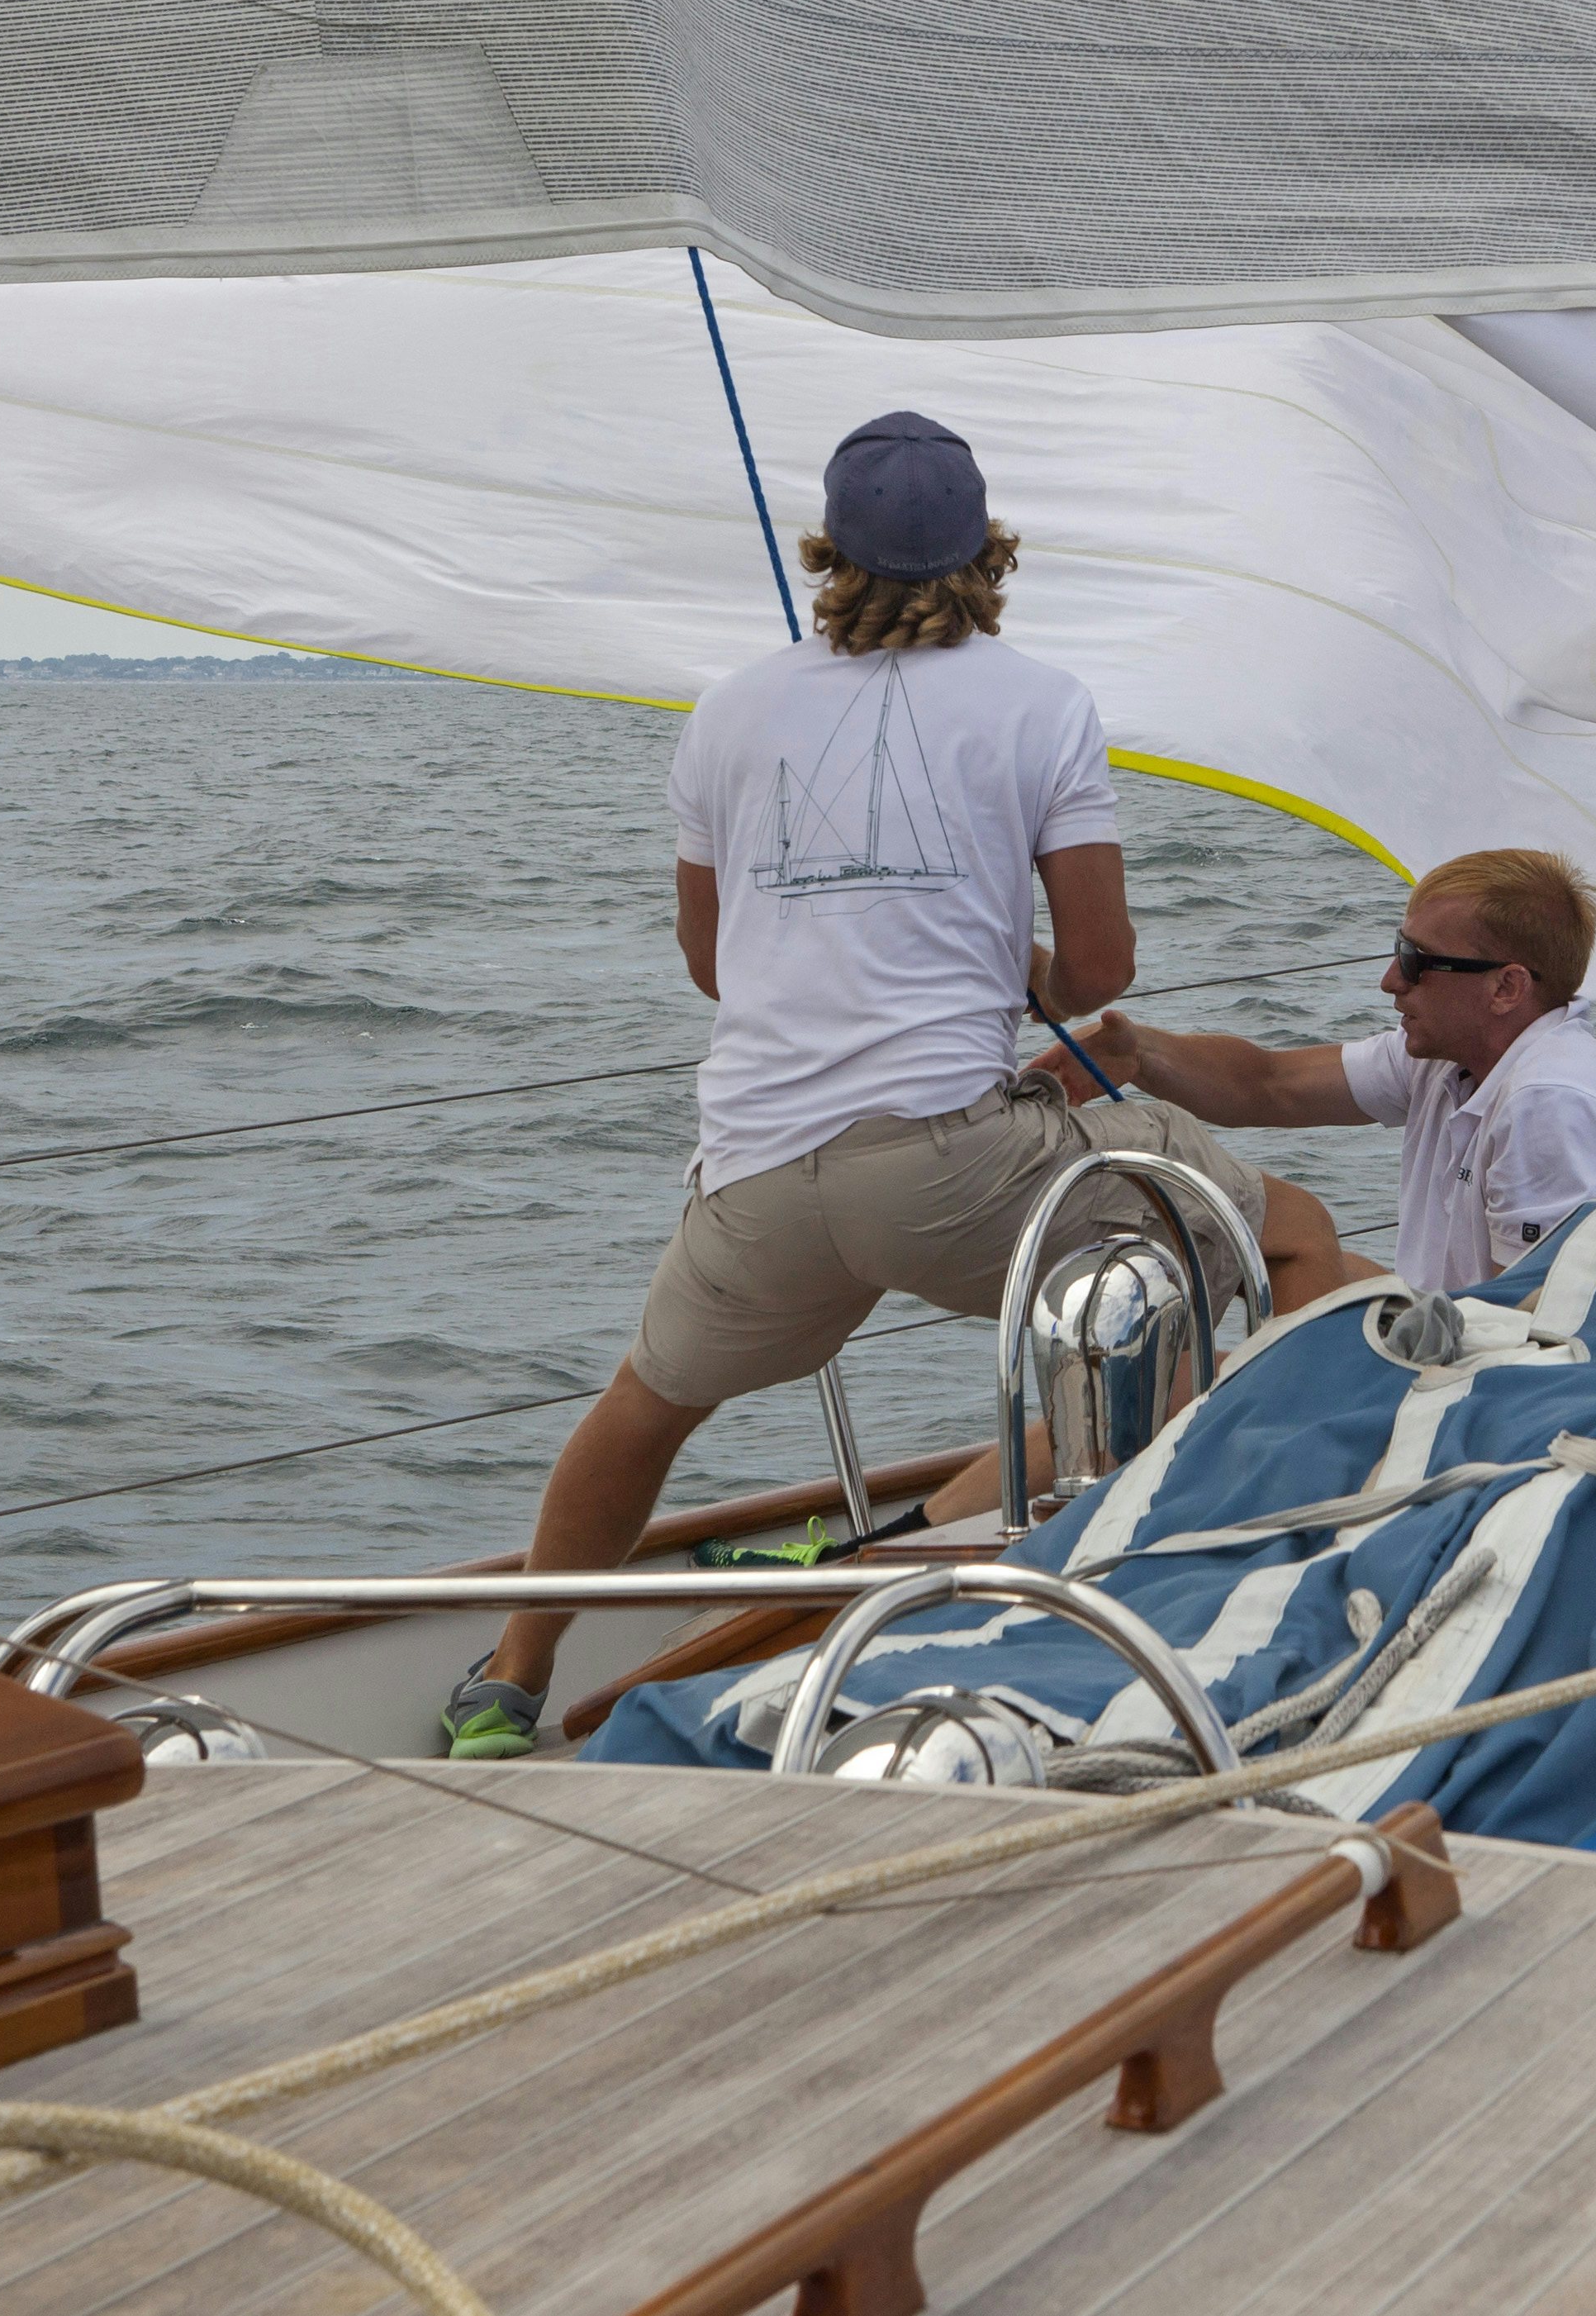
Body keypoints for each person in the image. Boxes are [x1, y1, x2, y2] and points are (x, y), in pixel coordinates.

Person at [440, 412, 1356, 1759]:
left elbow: (715, 963)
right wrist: (993, 952)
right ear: (991, 550)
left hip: (758, 1178)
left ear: (827, 550)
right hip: (954, 1168)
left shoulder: (730, 709)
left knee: (647, 1404)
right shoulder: (1042, 703)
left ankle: (510, 1679)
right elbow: (1099, 966)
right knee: (1279, 1235)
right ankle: (1224, 1579)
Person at [1065, 848, 1596, 1296]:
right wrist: (1138, 1053)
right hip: (1463, 1349)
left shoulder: (1549, 1103)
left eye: (1416, 961)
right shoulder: (1445, 1060)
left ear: (1507, 986)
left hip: (1520, 1395)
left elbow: (1542, 1327)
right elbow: (1267, 1087)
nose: (1390, 980)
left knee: (1215, 1351)